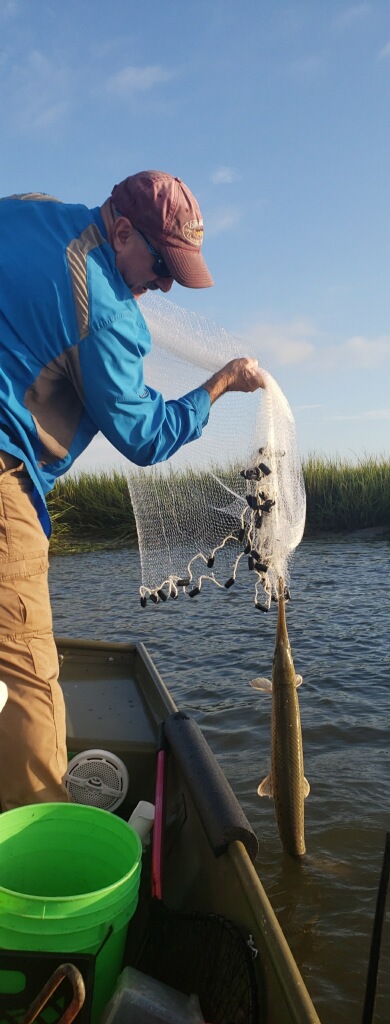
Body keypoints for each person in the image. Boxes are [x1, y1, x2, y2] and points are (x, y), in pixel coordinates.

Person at [0, 170, 264, 811]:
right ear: (121, 231)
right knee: (28, 678)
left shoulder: (29, 210)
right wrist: (220, 384)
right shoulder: (106, 314)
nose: (166, 284)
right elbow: (147, 438)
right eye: (161, 265)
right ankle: (43, 858)